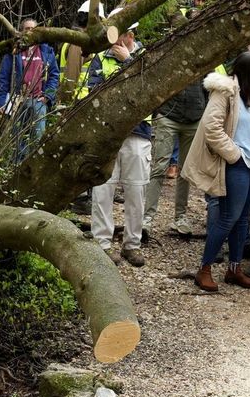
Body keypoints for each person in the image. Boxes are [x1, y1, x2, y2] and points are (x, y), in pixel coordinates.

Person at [182, 51, 250, 292]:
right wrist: (235, 155)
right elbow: (212, 127)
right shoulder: (224, 92)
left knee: (245, 218)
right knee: (229, 216)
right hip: (237, 164)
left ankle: (234, 269)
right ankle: (204, 269)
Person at [87, 27, 150, 267]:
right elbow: (94, 91)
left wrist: (129, 62)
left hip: (139, 133)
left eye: (118, 35)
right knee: (103, 189)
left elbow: (147, 87)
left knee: (136, 191)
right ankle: (102, 244)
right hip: (107, 134)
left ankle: (132, 245)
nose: (111, 41)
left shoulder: (145, 56)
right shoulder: (101, 58)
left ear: (130, 36)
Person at [146, 71, 208, 237]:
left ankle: (180, 217)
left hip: (194, 118)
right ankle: (147, 218)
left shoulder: (206, 55)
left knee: (185, 171)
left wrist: (204, 111)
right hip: (168, 115)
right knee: (159, 167)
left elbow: (209, 85)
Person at [0, 19, 59, 163]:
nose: (29, 31)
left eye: (33, 29)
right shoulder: (14, 52)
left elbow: (54, 75)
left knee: (38, 137)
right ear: (21, 31)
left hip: (38, 100)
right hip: (18, 100)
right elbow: (3, 77)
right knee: (17, 140)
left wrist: (48, 95)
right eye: (26, 28)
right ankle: (16, 171)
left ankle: (35, 168)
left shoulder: (46, 51)